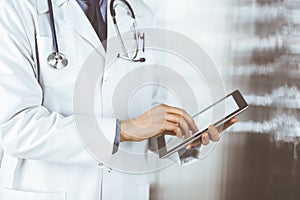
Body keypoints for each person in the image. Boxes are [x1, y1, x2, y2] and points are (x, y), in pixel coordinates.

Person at [0, 0, 237, 199]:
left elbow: (148, 112)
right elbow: (14, 126)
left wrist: (181, 135)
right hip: (46, 190)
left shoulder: (138, 14)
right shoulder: (16, 9)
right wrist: (121, 130)